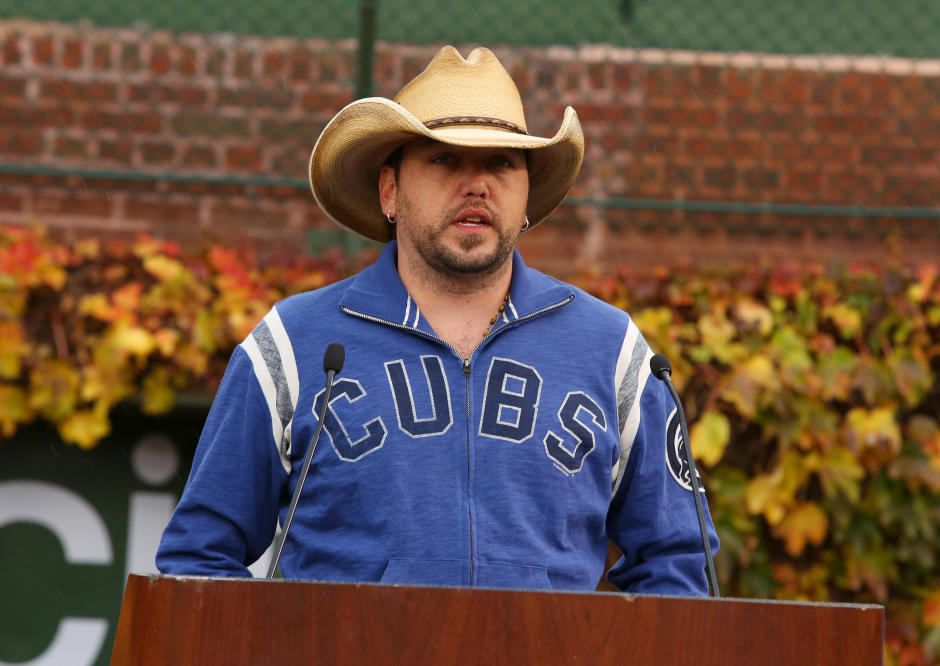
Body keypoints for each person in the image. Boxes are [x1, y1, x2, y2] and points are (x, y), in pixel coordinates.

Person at [156, 45, 718, 594]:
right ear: (390, 190)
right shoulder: (294, 343)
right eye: (444, 158)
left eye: (501, 162)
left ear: (527, 198)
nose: (476, 184)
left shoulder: (611, 349)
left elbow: (678, 559)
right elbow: (198, 557)